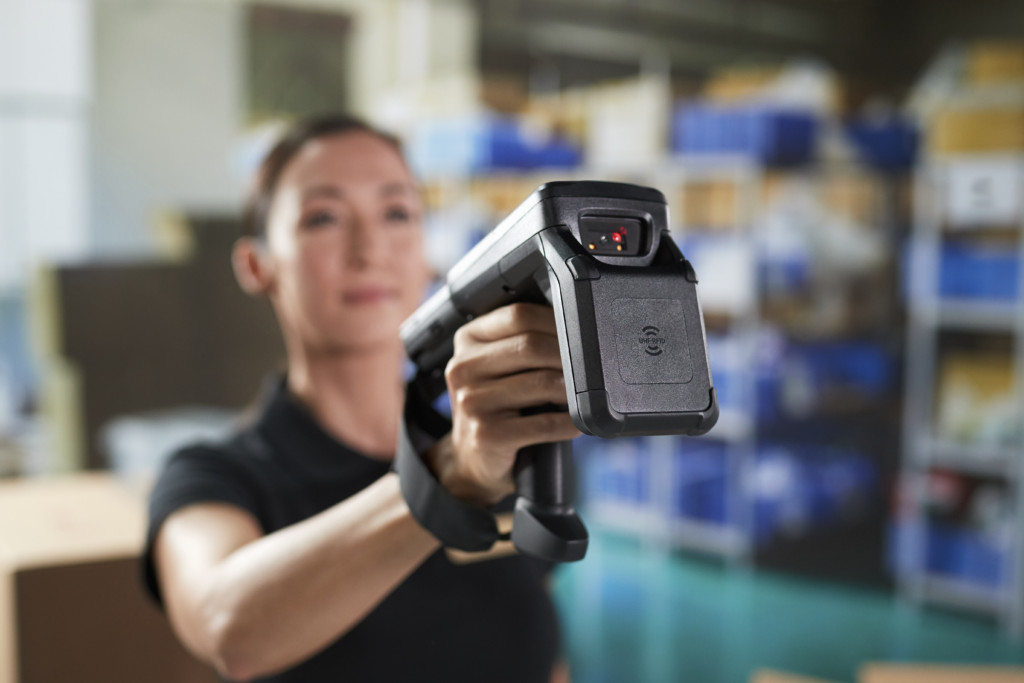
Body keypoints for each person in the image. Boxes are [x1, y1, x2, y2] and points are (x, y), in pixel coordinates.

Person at [142, 114, 581, 683]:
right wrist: (446, 482)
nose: (369, 247)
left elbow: (543, 649)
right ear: (258, 264)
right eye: (322, 217)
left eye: (396, 213)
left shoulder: (503, 444)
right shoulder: (214, 476)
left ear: (425, 252)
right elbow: (228, 629)